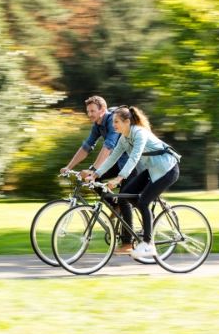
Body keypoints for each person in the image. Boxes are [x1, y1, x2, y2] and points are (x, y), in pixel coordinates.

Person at [84, 106, 180, 259]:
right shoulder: (124, 138)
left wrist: (118, 178)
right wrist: (95, 175)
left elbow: (134, 159)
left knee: (142, 201)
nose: (113, 125)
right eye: (113, 121)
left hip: (167, 170)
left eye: (116, 122)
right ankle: (151, 218)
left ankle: (148, 245)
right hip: (153, 170)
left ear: (127, 122)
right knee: (126, 194)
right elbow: (112, 158)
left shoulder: (139, 133)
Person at [61, 96, 134, 254]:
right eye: (88, 111)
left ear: (102, 110)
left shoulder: (111, 122)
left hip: (131, 165)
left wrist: (93, 170)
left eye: (93, 111)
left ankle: (128, 243)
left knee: (125, 198)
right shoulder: (97, 126)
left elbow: (108, 148)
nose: (90, 114)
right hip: (117, 164)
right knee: (94, 180)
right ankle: (113, 203)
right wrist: (68, 167)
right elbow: (86, 147)